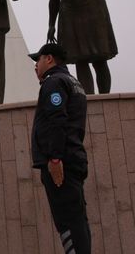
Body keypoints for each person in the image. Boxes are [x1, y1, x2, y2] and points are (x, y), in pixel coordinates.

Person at [29, 43, 90, 254]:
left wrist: (55, 159)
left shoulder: (54, 82)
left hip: (62, 163)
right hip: (74, 159)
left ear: (49, 59)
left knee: (68, 225)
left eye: (37, 60)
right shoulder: (74, 82)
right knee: (78, 222)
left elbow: (57, 120)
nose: (35, 66)